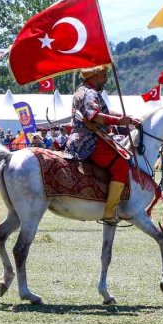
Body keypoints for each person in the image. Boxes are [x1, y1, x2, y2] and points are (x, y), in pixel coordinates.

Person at [65, 65, 140, 223]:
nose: (105, 79)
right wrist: (119, 121)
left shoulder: (82, 90)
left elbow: (105, 112)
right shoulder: (91, 93)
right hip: (89, 139)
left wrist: (128, 118)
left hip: (82, 137)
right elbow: (95, 116)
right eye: (103, 76)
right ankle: (109, 211)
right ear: (94, 76)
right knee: (121, 165)